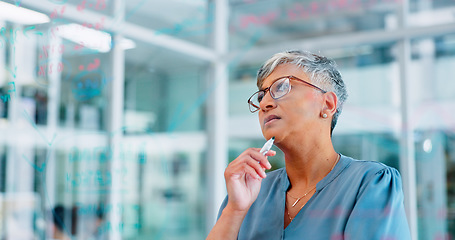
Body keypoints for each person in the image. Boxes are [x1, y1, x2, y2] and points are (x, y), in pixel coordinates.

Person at [207, 50, 411, 239]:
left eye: (282, 87)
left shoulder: (370, 183)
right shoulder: (248, 193)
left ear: (327, 104)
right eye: (262, 95)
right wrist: (234, 210)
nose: (264, 103)